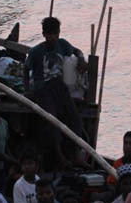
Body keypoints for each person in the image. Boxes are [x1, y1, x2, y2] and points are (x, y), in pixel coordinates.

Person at [23, 17, 87, 171]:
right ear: (44, 34)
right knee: (52, 120)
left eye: (55, 34)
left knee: (74, 118)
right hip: (42, 88)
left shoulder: (62, 44)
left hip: (59, 86)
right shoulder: (36, 51)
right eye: (49, 34)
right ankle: (60, 156)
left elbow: (76, 50)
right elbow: (26, 69)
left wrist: (81, 58)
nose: (52, 37)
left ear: (58, 33)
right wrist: (27, 90)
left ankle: (77, 155)